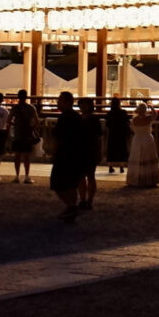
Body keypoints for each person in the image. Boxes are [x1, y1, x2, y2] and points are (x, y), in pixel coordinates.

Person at [50, 91, 83, 222]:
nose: (58, 102)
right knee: (71, 184)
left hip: (64, 154)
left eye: (60, 100)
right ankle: (72, 208)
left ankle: (71, 206)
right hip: (75, 154)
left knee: (57, 183)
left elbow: (57, 138)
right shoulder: (77, 117)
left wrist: (54, 153)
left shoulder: (64, 118)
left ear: (67, 102)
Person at [126, 102, 159, 187]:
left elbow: (132, 129)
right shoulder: (149, 118)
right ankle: (149, 179)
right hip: (147, 138)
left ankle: (135, 178)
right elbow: (155, 114)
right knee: (148, 157)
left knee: (137, 158)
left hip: (137, 139)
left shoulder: (134, 120)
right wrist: (152, 107)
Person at [7, 89, 40, 183]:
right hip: (27, 135)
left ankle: (17, 176)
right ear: (26, 97)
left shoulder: (15, 108)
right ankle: (26, 176)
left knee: (17, 156)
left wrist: (15, 124)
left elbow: (9, 120)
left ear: (18, 97)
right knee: (27, 157)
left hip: (18, 134)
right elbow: (37, 121)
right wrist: (31, 127)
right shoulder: (31, 108)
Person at [77, 97, 102, 210]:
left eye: (85, 105)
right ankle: (82, 199)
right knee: (81, 177)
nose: (83, 107)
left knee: (90, 176)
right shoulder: (78, 118)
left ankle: (89, 199)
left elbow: (98, 137)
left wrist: (99, 151)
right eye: (82, 105)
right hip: (81, 149)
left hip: (91, 149)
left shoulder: (93, 119)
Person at [104, 96, 131, 174]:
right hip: (121, 134)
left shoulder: (109, 113)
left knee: (111, 150)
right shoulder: (123, 112)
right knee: (121, 150)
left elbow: (107, 124)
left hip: (112, 133)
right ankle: (121, 167)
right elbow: (126, 122)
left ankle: (110, 167)